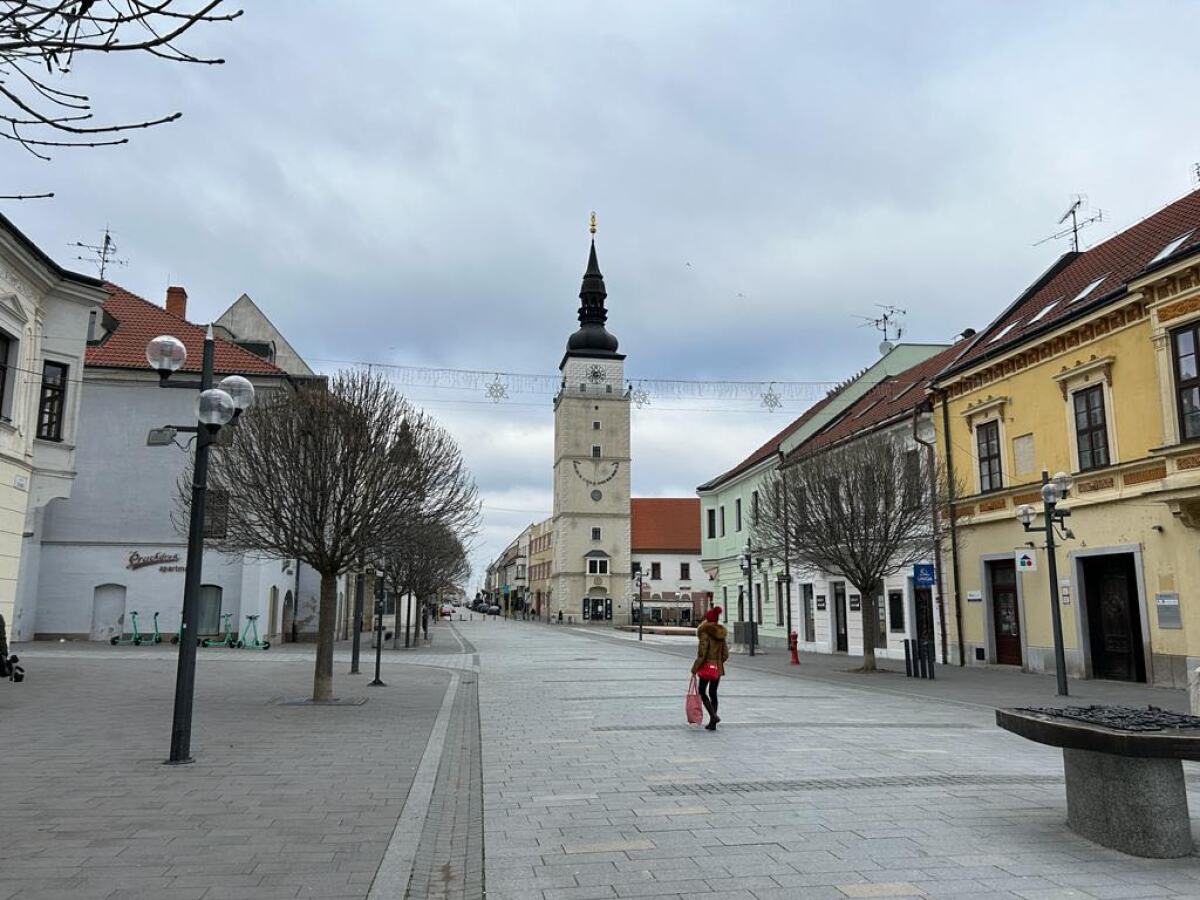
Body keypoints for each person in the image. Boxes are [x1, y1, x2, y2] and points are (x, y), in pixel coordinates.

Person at [691, 606, 728, 731]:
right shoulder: (721, 633)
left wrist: (695, 668)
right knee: (713, 693)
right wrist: (717, 662)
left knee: (702, 691)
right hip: (717, 668)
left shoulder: (705, 632)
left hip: (706, 667)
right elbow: (725, 655)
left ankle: (713, 716)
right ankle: (713, 723)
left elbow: (702, 653)